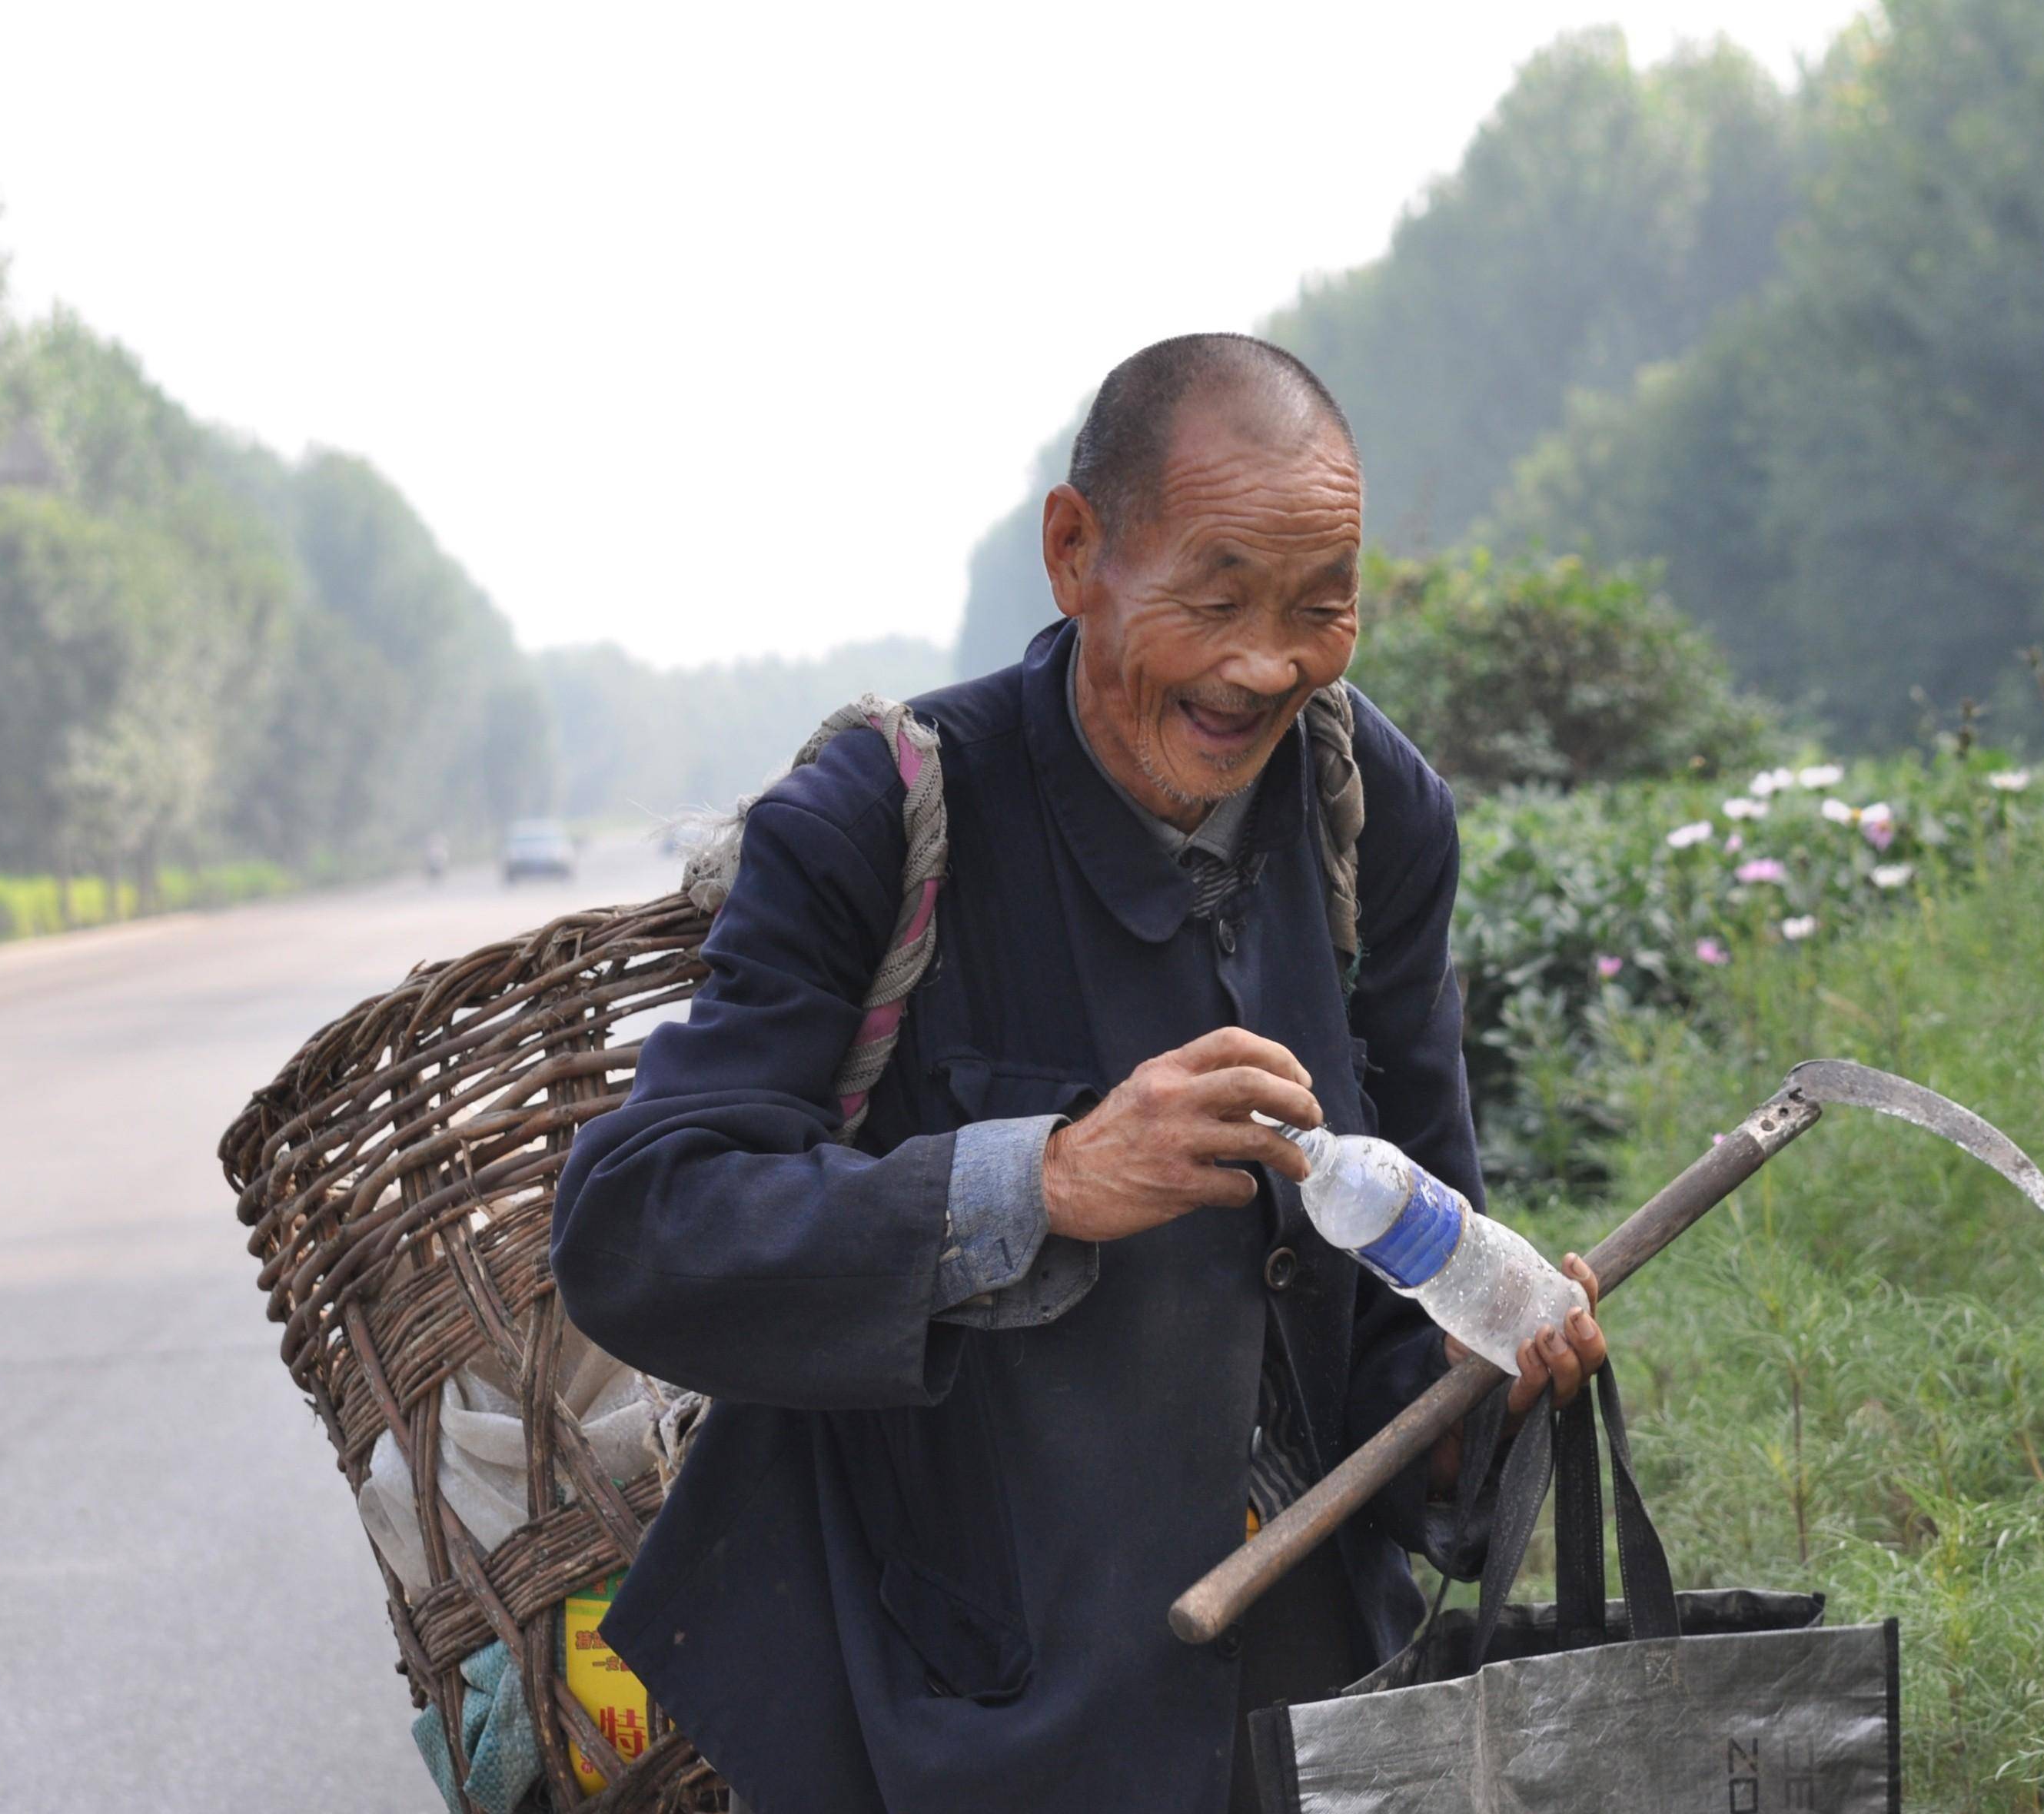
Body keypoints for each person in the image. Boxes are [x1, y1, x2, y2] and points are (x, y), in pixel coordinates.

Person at [551, 334, 1606, 1813]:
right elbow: (638, 1229)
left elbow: (1402, 1294)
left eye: (1321, 609)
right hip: (946, 1709)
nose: (1266, 665)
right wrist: (1045, 1180)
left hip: (1305, 1715)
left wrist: (1469, 1387)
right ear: (1075, 552)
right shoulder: (883, 814)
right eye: (1216, 595)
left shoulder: (1376, 819)